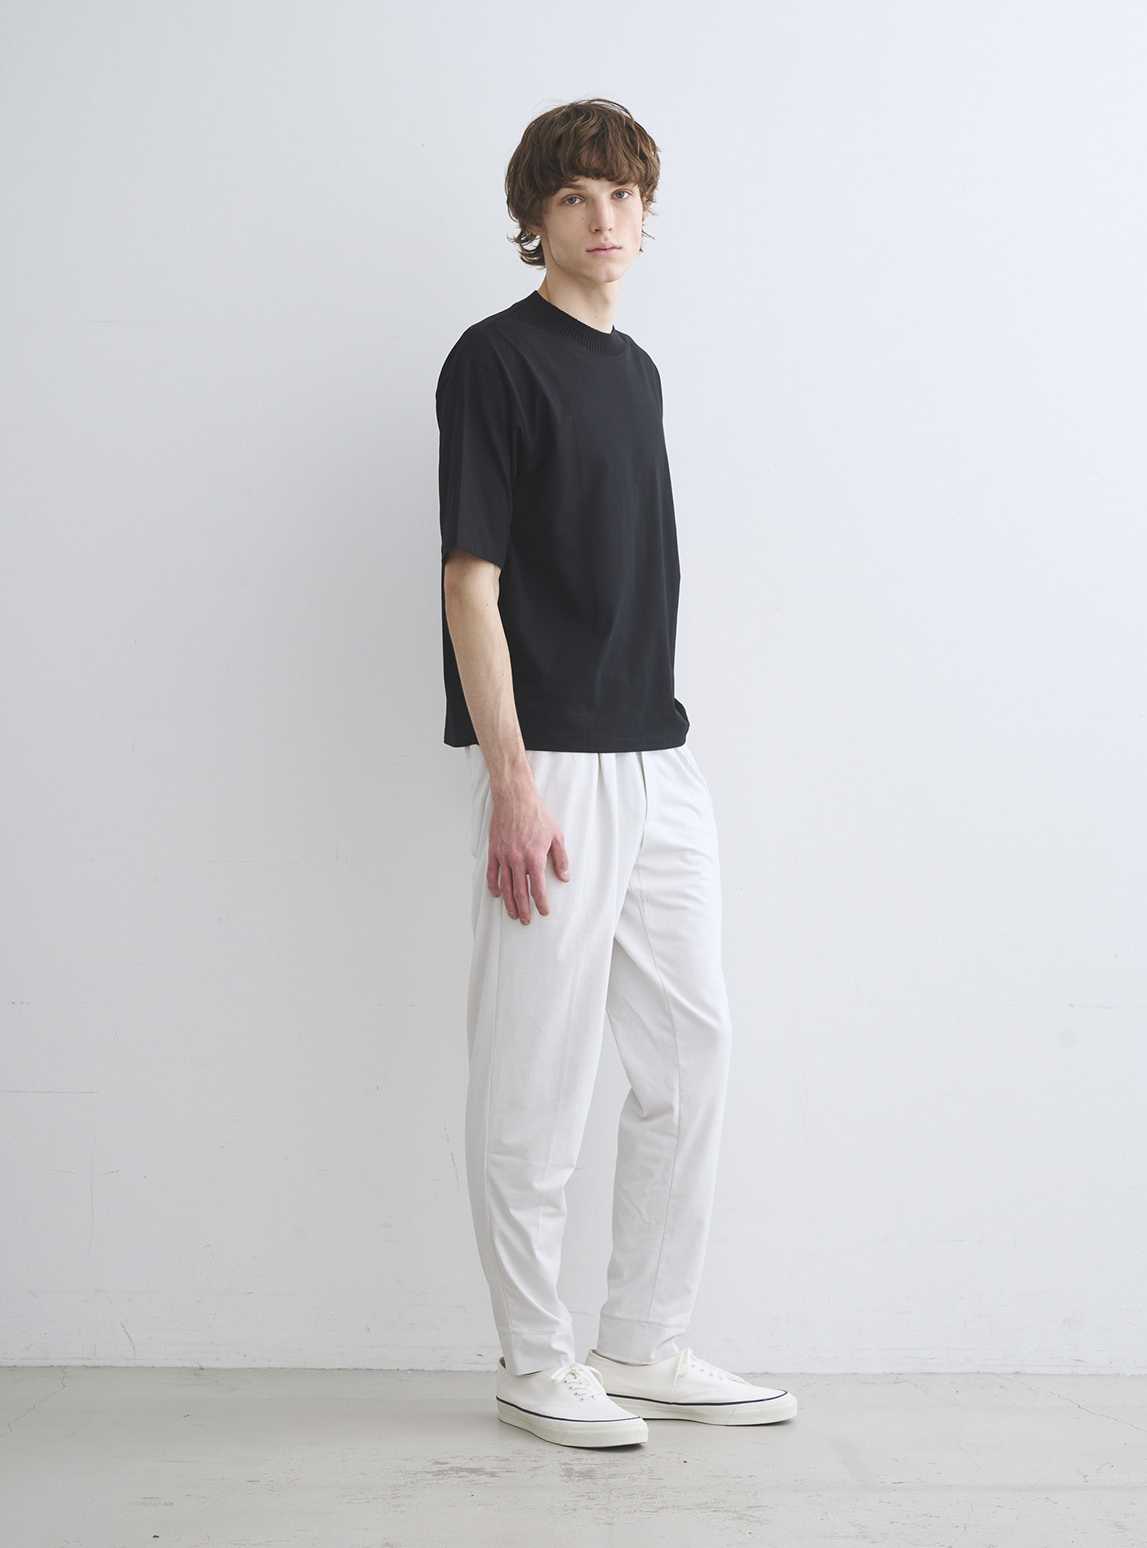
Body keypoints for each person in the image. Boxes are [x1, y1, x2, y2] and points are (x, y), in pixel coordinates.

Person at [436, 98, 798, 1449]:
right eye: (576, 197)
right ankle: (536, 1361)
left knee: (691, 1054)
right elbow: (470, 584)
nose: (604, 219)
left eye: (624, 197)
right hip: (555, 764)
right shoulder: (494, 360)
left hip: (660, 753)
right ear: (536, 216)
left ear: (648, 214)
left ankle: (641, 1342)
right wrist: (513, 784)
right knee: (535, 1076)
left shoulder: (636, 370)